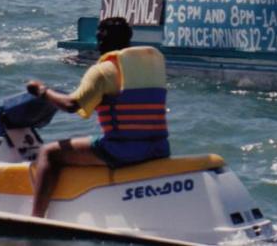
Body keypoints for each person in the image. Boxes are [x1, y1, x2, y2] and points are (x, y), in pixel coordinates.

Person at [25, 17, 169, 217]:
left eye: (99, 39)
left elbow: (71, 105)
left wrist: (42, 90)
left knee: (48, 153)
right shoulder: (151, 67)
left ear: (102, 40)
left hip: (123, 150)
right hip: (158, 148)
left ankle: (36, 219)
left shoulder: (102, 71)